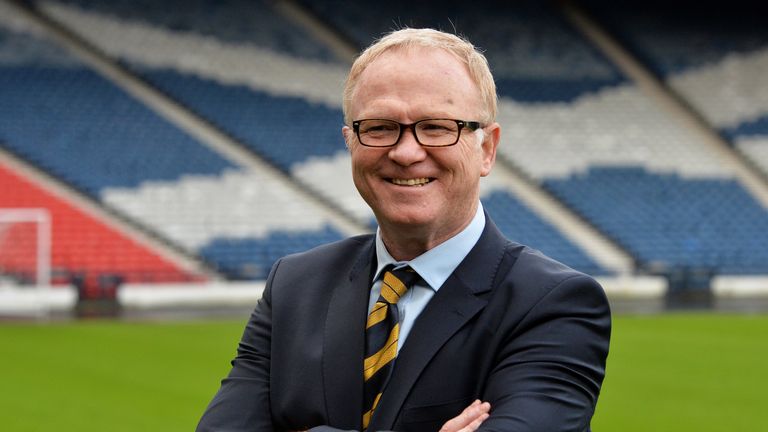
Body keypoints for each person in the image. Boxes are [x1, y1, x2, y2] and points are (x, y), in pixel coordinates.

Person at [197, 28, 610, 432]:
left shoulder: (554, 304)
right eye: (378, 127)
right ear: (350, 142)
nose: (406, 152)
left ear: (486, 149)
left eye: (436, 127)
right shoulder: (294, 285)